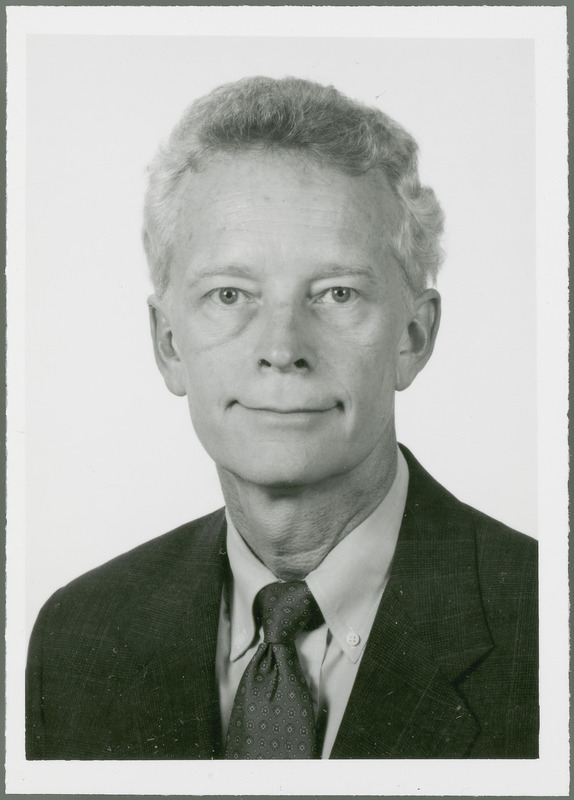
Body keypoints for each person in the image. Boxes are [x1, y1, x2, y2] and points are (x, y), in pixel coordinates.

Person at [25, 76, 538, 760]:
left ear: (413, 338)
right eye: (229, 293)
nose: (281, 350)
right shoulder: (78, 636)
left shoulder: (545, 625)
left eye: (336, 293)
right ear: (168, 344)